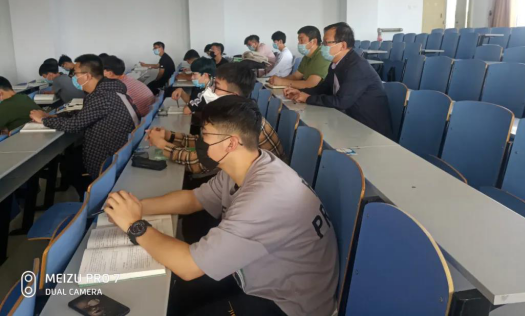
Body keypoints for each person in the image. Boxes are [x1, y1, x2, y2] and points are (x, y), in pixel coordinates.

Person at [105, 96, 338, 316]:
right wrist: (136, 207)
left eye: (205, 134)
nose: (200, 140)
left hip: (288, 303)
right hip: (258, 273)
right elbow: (193, 199)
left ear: (231, 143)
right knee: (177, 297)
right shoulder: (248, 164)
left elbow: (189, 266)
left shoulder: (264, 197)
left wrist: (135, 225)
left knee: (184, 286)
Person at [29, 54, 139, 199]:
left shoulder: (102, 96)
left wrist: (43, 120)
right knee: (70, 159)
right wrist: (54, 116)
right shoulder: (107, 90)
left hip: (107, 156)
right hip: (115, 147)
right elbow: (85, 112)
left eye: (75, 74)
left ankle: (92, 199)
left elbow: (74, 125)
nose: (73, 77)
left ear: (87, 76)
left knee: (69, 166)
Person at [148, 63, 285, 175]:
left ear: (234, 95)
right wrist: (170, 136)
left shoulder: (235, 121)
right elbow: (205, 143)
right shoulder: (234, 109)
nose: (211, 90)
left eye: (217, 87)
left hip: (259, 181)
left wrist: (162, 145)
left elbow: (198, 163)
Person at [284, 22, 394, 139]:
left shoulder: (357, 67)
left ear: (342, 45)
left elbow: (341, 102)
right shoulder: (336, 63)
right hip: (349, 121)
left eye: (327, 43)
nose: (323, 46)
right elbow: (324, 88)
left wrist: (307, 98)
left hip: (370, 131)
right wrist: (301, 93)